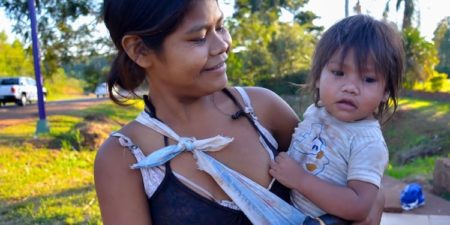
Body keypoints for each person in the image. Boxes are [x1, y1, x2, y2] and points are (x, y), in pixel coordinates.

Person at [95, 1, 384, 224]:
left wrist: (373, 201)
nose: (222, 45)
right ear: (140, 50)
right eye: (198, 38)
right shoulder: (124, 159)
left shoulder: (262, 110)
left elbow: (342, 176)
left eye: (220, 27)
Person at [269, 14, 405, 224]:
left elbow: (359, 207)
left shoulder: (367, 143)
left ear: (386, 91)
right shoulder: (316, 112)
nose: (350, 87)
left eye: (368, 79)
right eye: (339, 73)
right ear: (317, 77)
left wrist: (300, 179)